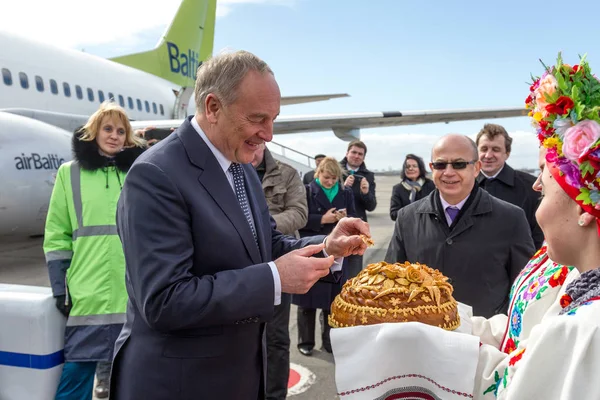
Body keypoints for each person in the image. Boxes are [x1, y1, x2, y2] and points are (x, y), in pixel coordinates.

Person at [110, 50, 370, 400]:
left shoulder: (241, 166)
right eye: (258, 118)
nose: (269, 134)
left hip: (238, 377)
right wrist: (274, 278)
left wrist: (327, 246)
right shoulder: (155, 174)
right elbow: (164, 301)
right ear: (213, 107)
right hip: (181, 384)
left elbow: (267, 244)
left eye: (274, 119)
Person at [474, 54, 600, 399]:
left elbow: (516, 382)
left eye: (546, 178)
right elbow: (518, 331)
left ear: (585, 209)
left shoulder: (586, 328)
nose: (536, 187)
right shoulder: (566, 264)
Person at [43, 102, 146, 400]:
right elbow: (56, 235)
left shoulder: (140, 173)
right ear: (94, 131)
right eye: (108, 128)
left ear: (128, 137)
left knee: (132, 379)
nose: (114, 135)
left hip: (133, 294)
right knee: (76, 376)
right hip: (88, 295)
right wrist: (60, 288)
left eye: (121, 131)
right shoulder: (69, 174)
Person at [385, 134, 535, 318]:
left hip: (485, 337)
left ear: (476, 168)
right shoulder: (406, 218)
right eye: (440, 165)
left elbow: (525, 288)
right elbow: (391, 281)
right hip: (423, 334)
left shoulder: (511, 218)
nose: (448, 172)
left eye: (459, 164)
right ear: (432, 169)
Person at [251, 144, 308, 400]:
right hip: (240, 265)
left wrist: (263, 226)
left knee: (275, 337)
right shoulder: (228, 168)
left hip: (278, 264)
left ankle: (275, 395)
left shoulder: (287, 173)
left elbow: (299, 212)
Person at [292, 157, 356, 356]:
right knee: (307, 302)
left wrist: (344, 219)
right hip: (313, 247)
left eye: (334, 179)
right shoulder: (306, 191)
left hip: (337, 253)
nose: (330, 182)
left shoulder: (345, 192)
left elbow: (354, 218)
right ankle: (306, 341)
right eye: (327, 177)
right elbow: (299, 219)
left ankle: (329, 341)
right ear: (318, 173)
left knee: (332, 302)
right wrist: (323, 219)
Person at [475, 123, 544, 249]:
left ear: (507, 153)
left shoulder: (532, 187)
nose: (488, 155)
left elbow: (538, 235)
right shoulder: (464, 186)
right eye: (484, 149)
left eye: (495, 149)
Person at [340, 140, 376, 278]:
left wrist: (365, 192)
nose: (356, 156)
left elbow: (372, 206)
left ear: (363, 157)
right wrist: (343, 187)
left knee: (354, 271)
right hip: (336, 226)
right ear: (347, 153)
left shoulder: (368, 176)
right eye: (353, 152)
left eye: (360, 154)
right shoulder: (336, 170)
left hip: (357, 230)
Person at [390, 154, 436, 221]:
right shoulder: (398, 189)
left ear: (420, 168)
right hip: (406, 228)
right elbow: (393, 215)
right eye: (408, 166)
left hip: (429, 228)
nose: (411, 168)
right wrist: (414, 213)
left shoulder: (432, 185)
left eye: (414, 166)